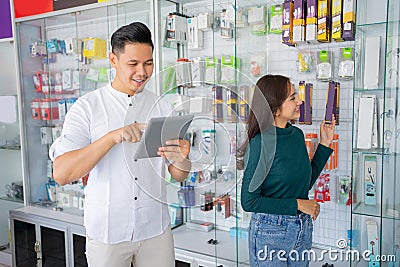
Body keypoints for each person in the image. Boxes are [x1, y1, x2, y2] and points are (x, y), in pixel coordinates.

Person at [49, 22, 191, 267]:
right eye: (133, 64)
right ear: (113, 60)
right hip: (108, 233)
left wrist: (182, 159)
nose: (142, 72)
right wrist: (111, 137)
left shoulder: (162, 107)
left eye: (148, 63)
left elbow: (178, 175)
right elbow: (62, 174)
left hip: (155, 228)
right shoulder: (88, 107)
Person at [240, 74, 335, 266]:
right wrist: (298, 205)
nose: (300, 101)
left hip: (302, 228)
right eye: (292, 98)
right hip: (270, 233)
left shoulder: (296, 134)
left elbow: (303, 183)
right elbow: (249, 201)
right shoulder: (262, 143)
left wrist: (324, 145)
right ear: (274, 108)